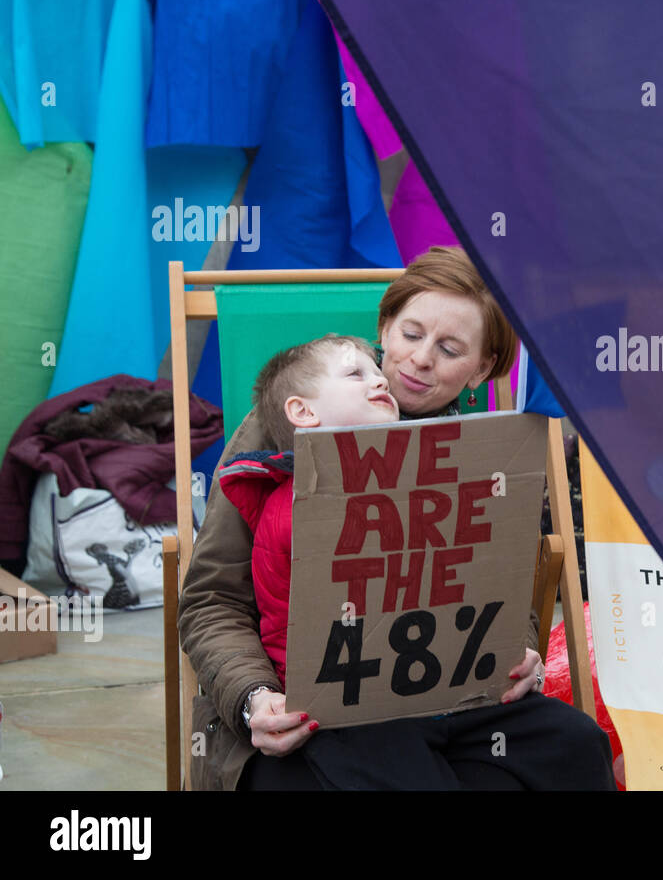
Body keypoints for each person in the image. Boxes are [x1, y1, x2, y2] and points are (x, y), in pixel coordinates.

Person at [179, 247, 615, 790]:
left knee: (572, 744)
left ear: (480, 368)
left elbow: (500, 590)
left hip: (455, 703)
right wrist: (253, 698)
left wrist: (519, 649)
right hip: (319, 714)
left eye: (450, 348)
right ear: (384, 328)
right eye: (411, 335)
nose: (421, 359)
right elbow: (211, 599)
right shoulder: (293, 423)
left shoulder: (488, 451)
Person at [217, 334, 400, 688]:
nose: (381, 381)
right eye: (355, 375)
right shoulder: (296, 508)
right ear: (304, 411)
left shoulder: (403, 485)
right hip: (329, 689)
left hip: (398, 670)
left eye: (379, 375)